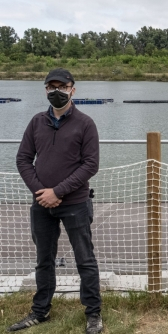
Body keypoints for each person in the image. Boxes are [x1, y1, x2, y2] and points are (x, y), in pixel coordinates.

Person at [12, 69, 103, 334]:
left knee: (85, 260)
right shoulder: (36, 122)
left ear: (73, 89)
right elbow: (23, 159)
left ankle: (93, 314)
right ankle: (40, 311)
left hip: (75, 203)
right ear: (45, 90)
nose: (56, 92)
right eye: (51, 87)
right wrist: (42, 192)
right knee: (43, 260)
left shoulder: (86, 124)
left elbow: (90, 165)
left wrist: (58, 191)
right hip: (41, 204)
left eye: (62, 87)